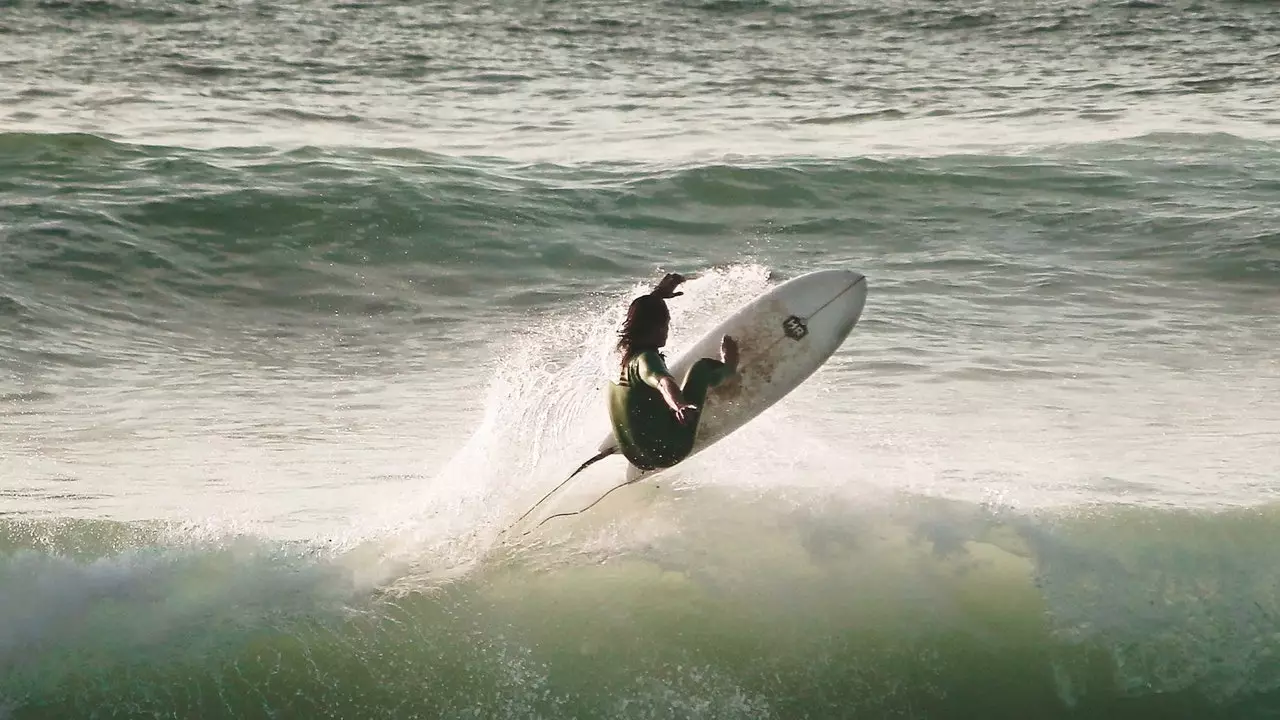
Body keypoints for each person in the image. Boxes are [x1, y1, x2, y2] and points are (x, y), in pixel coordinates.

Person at [607, 272, 739, 471]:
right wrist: (680, 405)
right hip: (670, 451)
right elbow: (662, 382)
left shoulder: (628, 356)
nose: (667, 329)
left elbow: (642, 314)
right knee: (701, 369)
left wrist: (657, 296)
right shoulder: (647, 360)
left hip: (635, 457)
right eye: (666, 324)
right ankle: (728, 369)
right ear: (657, 327)